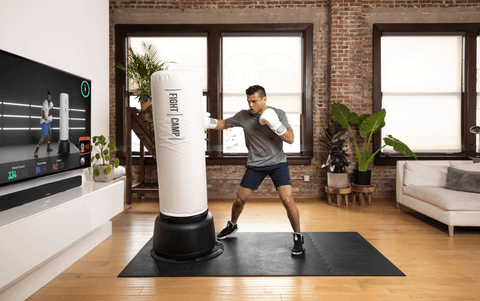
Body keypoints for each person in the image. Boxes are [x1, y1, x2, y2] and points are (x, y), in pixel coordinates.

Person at [205, 85, 305, 256]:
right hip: (255, 164)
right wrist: (205, 121)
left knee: (287, 199)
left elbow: (290, 139)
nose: (251, 105)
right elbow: (223, 124)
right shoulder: (243, 116)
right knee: (239, 200)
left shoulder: (278, 113)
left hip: (277, 163)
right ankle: (232, 225)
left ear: (264, 99)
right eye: (248, 101)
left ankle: (298, 236)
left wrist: (275, 124)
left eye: (254, 101)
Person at [34, 91, 54, 157]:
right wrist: (48, 118)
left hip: (47, 121)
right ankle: (36, 150)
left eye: (51, 98)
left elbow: (50, 107)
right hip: (44, 121)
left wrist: (50, 103)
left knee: (50, 131)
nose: (51, 99)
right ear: (47, 97)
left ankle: (48, 147)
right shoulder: (45, 103)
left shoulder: (47, 103)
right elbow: (43, 113)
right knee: (44, 136)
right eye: (50, 98)